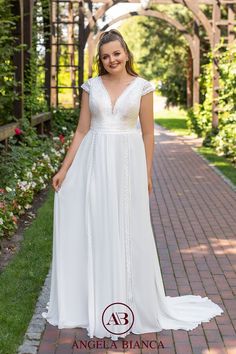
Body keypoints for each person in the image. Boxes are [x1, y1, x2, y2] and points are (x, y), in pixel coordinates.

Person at [42, 29, 223, 341]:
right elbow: (82, 131)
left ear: (126, 53)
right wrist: (65, 168)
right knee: (96, 226)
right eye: (105, 56)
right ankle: (93, 299)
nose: (112, 59)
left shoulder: (143, 87)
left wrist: (147, 173)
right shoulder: (91, 86)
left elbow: (148, 134)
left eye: (116, 53)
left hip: (127, 166)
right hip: (94, 164)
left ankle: (129, 300)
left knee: (128, 229)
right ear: (100, 60)